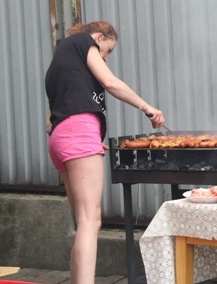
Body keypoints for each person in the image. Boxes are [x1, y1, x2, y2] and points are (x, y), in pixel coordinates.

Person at [45, 21, 164, 284]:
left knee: (82, 223)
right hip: (78, 134)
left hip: (60, 139)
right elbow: (110, 82)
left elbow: (49, 121)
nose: (106, 59)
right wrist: (148, 108)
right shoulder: (82, 43)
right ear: (98, 38)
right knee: (91, 221)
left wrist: (86, 139)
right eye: (107, 51)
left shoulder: (59, 63)